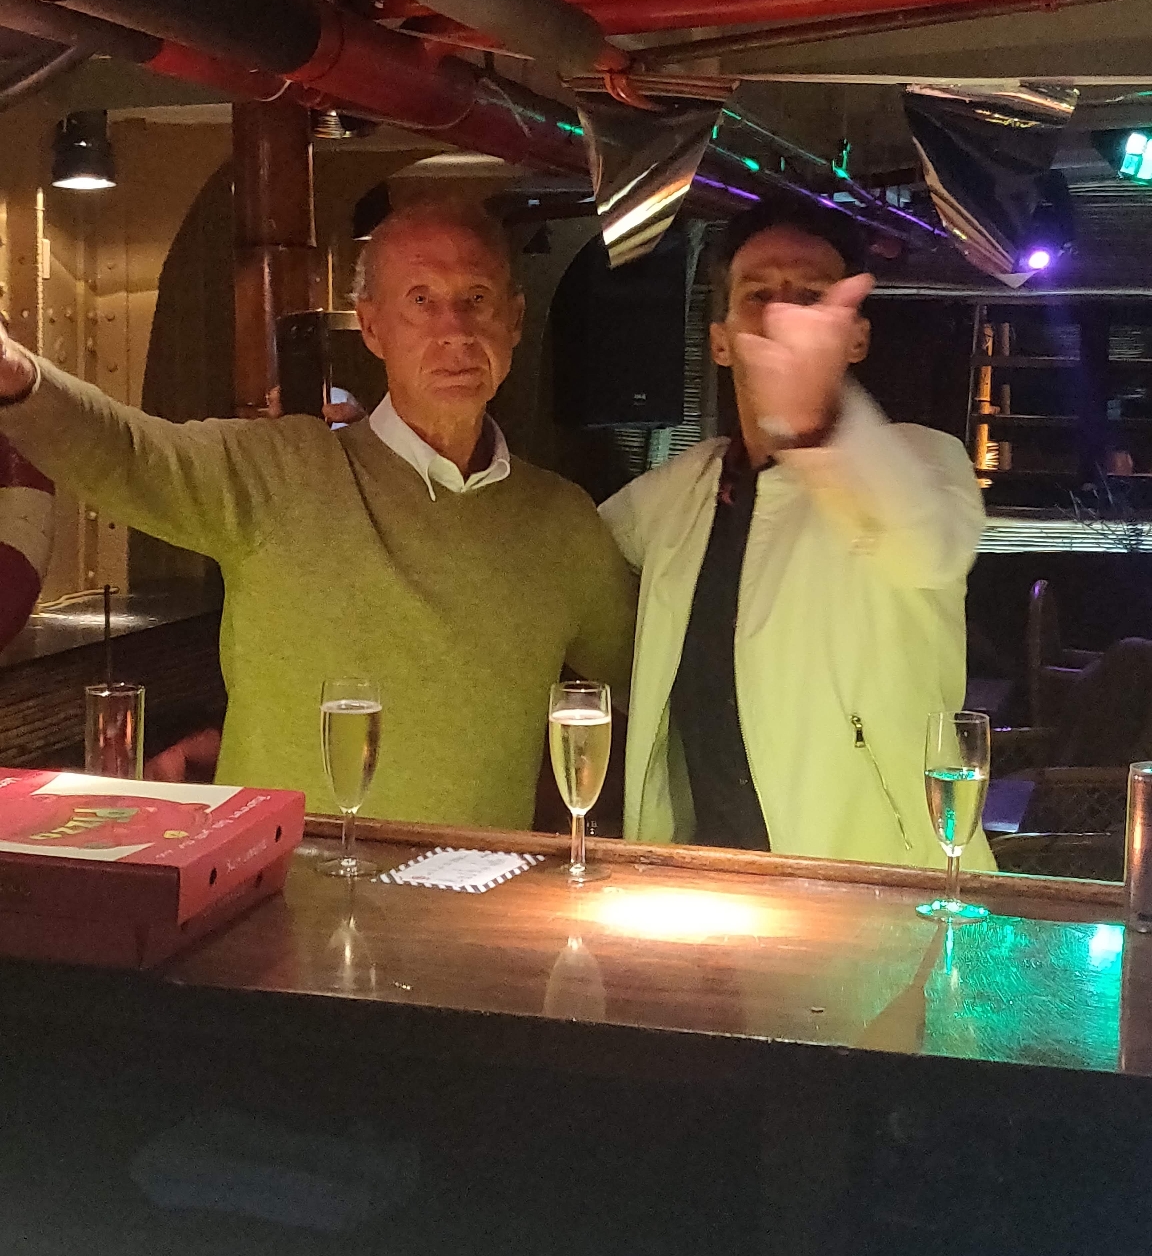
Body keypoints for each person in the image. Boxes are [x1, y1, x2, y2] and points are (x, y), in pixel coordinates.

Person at [0, 200, 636, 828]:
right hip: (281, 882)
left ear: (515, 320)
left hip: (479, 888)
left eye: (477, 298)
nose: (456, 330)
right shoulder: (278, 472)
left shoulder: (563, 521)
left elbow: (652, 685)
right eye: (420, 299)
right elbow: (128, 453)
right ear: (372, 327)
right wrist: (18, 375)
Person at [599, 204, 995, 871]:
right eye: (758, 295)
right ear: (720, 340)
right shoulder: (673, 495)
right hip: (703, 883)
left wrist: (816, 423)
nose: (783, 315)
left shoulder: (920, 461)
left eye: (810, 298)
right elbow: (562, 561)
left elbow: (927, 545)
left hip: (878, 888)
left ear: (855, 338)